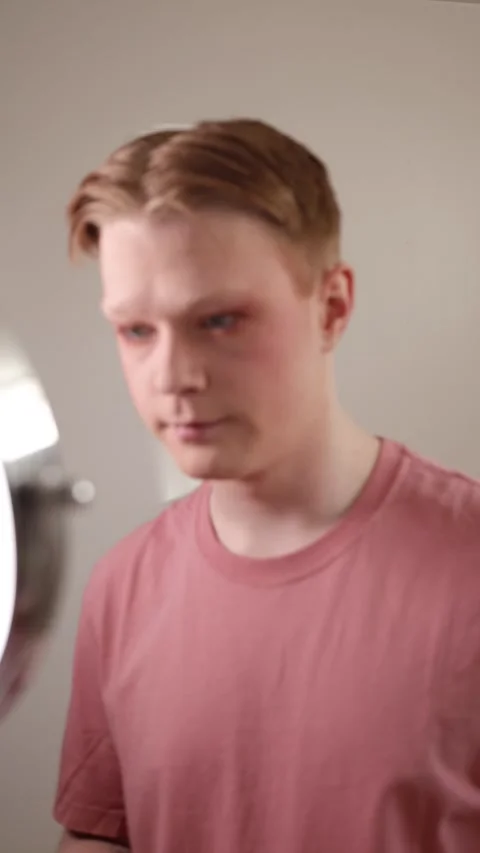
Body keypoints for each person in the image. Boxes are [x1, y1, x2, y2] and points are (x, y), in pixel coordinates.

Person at [54, 118, 480, 853]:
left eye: (219, 320)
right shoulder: (121, 587)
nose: (173, 377)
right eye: (136, 331)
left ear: (332, 307)